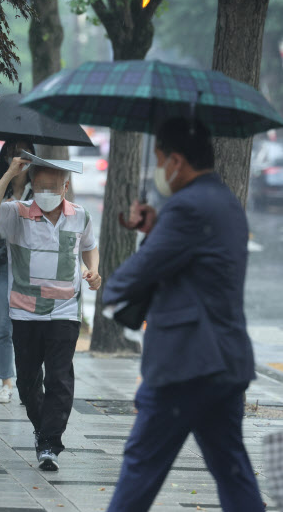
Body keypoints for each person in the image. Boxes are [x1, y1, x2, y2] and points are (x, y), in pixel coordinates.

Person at [103, 117, 266, 512]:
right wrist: (156, 227)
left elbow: (143, 271)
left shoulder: (188, 205)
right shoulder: (223, 200)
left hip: (186, 362)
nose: (159, 170)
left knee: (141, 464)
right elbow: (191, 265)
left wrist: (110, 291)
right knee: (232, 470)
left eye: (160, 159)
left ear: (176, 160)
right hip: (225, 362)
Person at [0, 155, 101, 471]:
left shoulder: (80, 216)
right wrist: (9, 174)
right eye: (41, 186)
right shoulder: (16, 213)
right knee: (27, 383)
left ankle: (49, 443)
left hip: (65, 312)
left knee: (61, 379)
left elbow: (89, 245)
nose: (46, 191)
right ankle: (42, 429)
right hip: (25, 313)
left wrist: (94, 271)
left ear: (66, 185)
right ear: (33, 185)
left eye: (53, 186)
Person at [0, 140, 35, 404]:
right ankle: (6, 382)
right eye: (13, 151)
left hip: (30, 265)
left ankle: (30, 381)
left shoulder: (40, 188)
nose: (19, 156)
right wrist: (7, 202)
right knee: (4, 323)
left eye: (24, 150)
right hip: (1, 262)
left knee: (32, 326)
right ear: (6, 157)